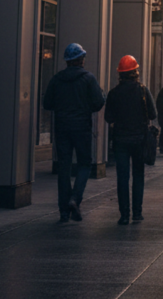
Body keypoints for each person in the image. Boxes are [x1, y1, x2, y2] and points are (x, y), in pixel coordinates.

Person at [42, 43, 106, 223]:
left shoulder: (56, 79)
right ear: (81, 60)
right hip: (81, 127)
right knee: (85, 164)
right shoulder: (88, 78)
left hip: (62, 127)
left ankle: (63, 211)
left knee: (64, 166)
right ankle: (75, 198)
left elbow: (47, 104)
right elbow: (98, 103)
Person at [104, 55, 157, 225]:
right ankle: (137, 213)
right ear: (136, 72)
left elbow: (108, 117)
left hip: (120, 140)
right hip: (139, 139)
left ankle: (124, 215)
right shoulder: (142, 90)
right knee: (138, 175)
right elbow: (153, 114)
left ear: (120, 74)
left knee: (122, 177)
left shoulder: (113, 93)